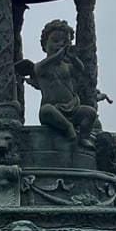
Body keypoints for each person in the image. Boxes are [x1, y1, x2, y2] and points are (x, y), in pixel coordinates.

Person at [16, 19, 97, 148]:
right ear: (44, 44)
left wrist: (73, 57)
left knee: (90, 113)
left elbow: (80, 69)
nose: (60, 45)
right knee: (46, 110)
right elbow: (37, 70)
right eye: (55, 41)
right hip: (53, 110)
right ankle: (67, 128)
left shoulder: (68, 67)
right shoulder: (42, 66)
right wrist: (56, 56)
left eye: (65, 42)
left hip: (72, 108)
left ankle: (84, 138)